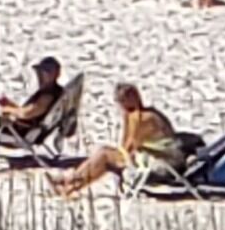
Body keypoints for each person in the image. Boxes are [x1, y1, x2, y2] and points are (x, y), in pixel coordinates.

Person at [53, 83, 186, 197]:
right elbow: (126, 145)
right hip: (154, 157)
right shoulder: (138, 114)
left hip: (161, 163)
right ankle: (70, 184)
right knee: (104, 155)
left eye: (122, 100)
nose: (120, 105)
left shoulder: (144, 117)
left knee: (104, 156)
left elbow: (128, 147)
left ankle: (70, 182)